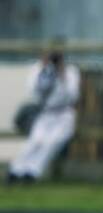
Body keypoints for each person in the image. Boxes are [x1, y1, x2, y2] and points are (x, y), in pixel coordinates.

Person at [8, 50, 80, 183]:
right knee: (35, 141)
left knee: (51, 143)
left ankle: (32, 173)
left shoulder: (70, 72)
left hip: (64, 114)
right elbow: (34, 92)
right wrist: (43, 71)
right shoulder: (38, 70)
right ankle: (15, 171)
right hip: (46, 113)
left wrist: (61, 74)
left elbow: (72, 95)